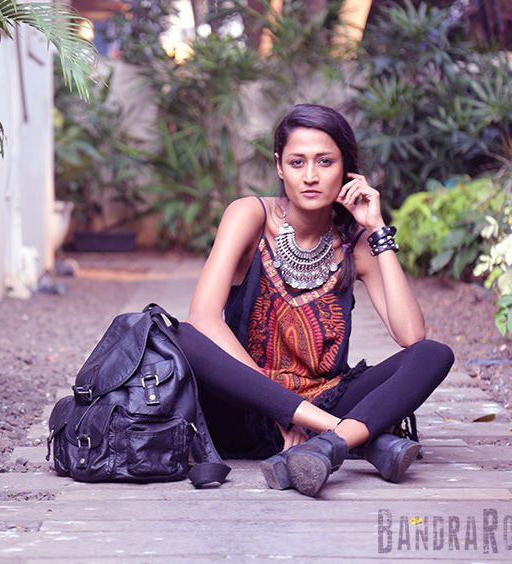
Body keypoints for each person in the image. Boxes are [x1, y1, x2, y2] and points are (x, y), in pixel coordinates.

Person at [172, 104, 454, 497]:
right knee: (185, 335)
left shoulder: (355, 244)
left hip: (327, 398)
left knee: (433, 354)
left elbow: (411, 335)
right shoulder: (248, 215)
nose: (310, 176)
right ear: (279, 167)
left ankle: (330, 445)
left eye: (325, 162)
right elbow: (204, 317)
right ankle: (358, 439)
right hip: (246, 407)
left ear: (347, 170)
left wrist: (376, 230)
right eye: (297, 161)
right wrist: (283, 408)